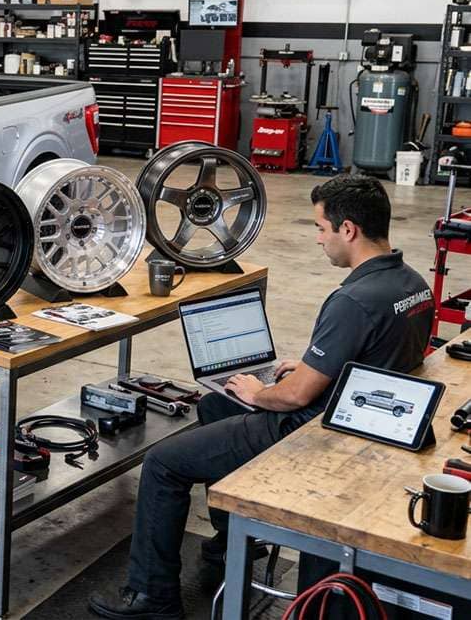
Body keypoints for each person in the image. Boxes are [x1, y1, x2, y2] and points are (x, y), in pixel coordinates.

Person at [88, 173, 433, 619]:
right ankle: (231, 538)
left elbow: (292, 399)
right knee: (214, 403)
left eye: (320, 228)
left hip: (314, 430)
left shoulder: (353, 299)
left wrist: (263, 390)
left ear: (348, 230)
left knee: (163, 464)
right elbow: (373, 356)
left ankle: (152, 597)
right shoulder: (411, 283)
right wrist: (308, 366)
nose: (317, 240)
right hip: (366, 417)